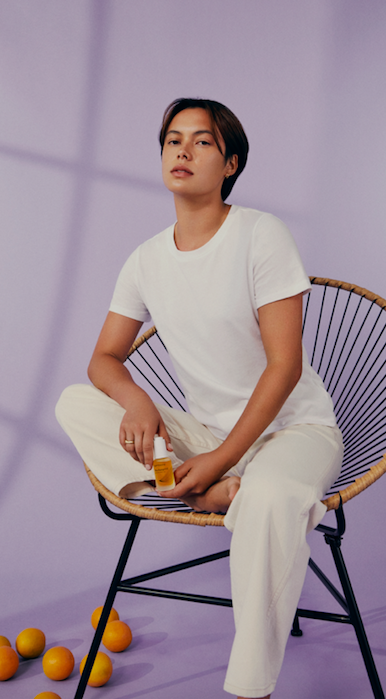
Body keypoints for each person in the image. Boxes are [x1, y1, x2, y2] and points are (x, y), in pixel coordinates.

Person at [56, 98, 343, 698]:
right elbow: (103, 359)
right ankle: (202, 495)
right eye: (173, 140)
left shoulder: (261, 234)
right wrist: (138, 402)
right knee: (75, 402)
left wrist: (221, 459)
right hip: (208, 438)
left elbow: (285, 366)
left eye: (203, 141)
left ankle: (250, 689)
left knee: (271, 496)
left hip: (294, 432)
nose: (183, 150)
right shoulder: (146, 260)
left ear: (230, 163)